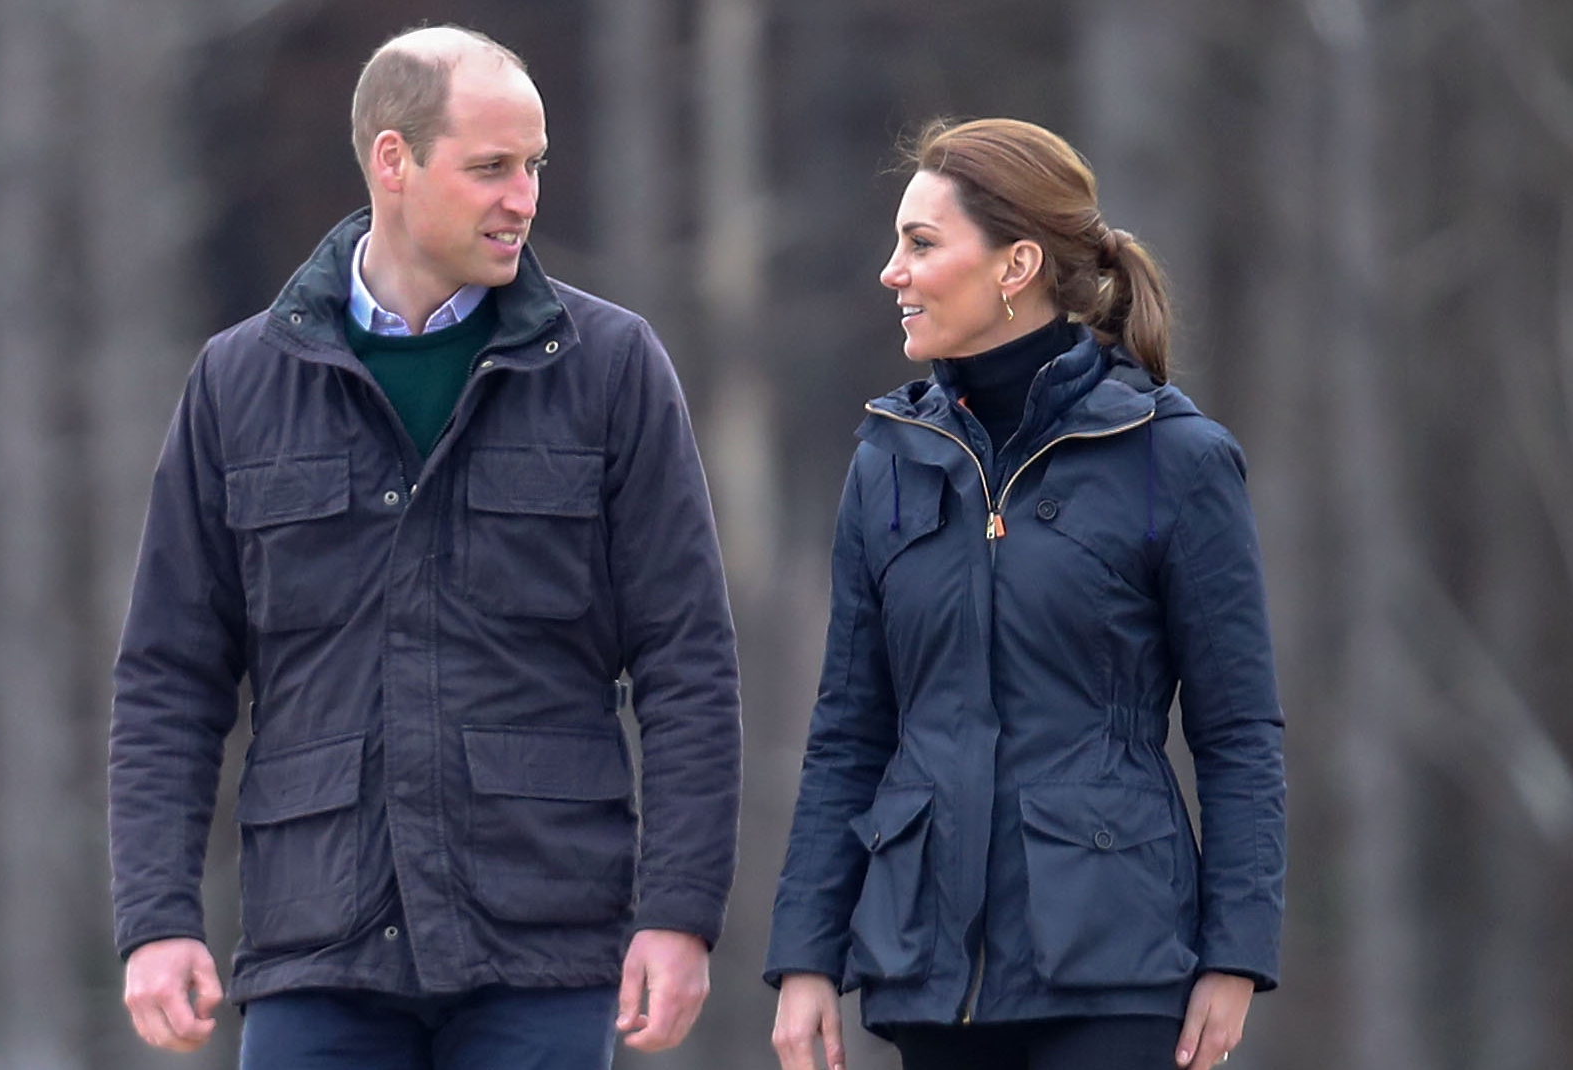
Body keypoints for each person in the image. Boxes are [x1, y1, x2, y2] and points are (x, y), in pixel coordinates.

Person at [107, 25, 741, 1070]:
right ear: (392, 161)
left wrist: (679, 910)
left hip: (542, 948)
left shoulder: (613, 368)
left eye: (535, 165)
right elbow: (170, 677)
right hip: (318, 948)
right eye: (492, 167)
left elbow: (688, 663)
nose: (524, 197)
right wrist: (156, 914)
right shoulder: (239, 383)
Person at [764, 118, 1285, 1070]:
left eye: (921, 245)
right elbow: (849, 732)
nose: (893, 271)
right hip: (928, 971)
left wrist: (1236, 957)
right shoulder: (886, 461)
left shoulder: (1177, 459)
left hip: (1117, 972)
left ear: (1016, 266)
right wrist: (805, 956)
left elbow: (1239, 732)